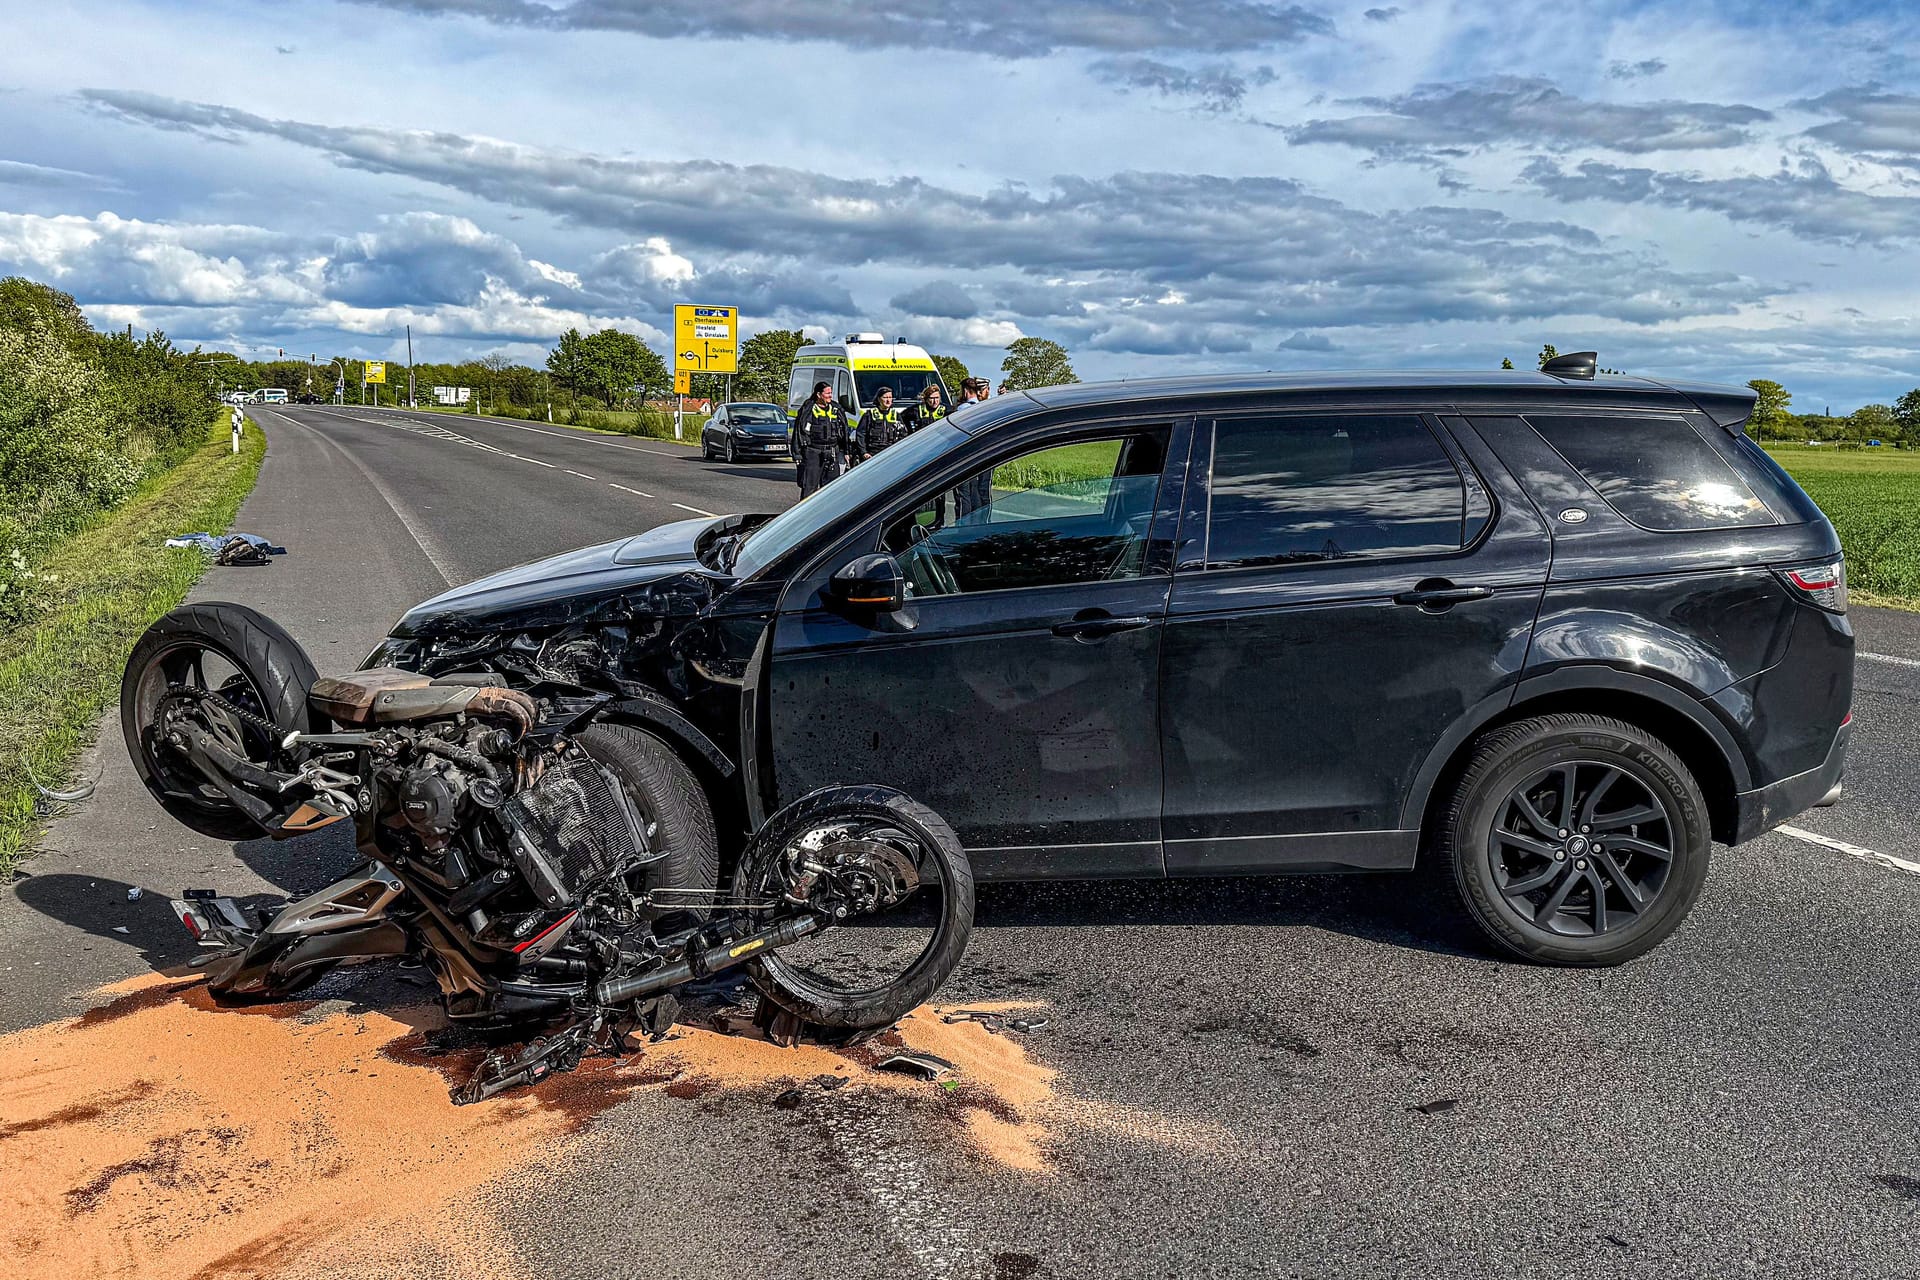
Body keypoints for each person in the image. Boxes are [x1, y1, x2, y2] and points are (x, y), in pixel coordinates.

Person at [792, 380, 849, 497]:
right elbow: (799, 432)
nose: (830, 396)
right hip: (813, 452)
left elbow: (844, 430)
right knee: (809, 487)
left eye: (831, 393)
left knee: (832, 487)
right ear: (818, 394)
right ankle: (806, 513)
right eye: (827, 393)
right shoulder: (808, 409)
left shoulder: (836, 409)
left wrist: (846, 451)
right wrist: (797, 454)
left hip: (832, 451)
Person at [856, 386, 904, 462]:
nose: (888, 400)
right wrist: (864, 452)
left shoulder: (896, 415)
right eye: (885, 397)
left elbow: (903, 434)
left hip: (891, 453)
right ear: (878, 399)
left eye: (890, 397)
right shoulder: (869, 415)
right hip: (873, 454)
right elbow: (861, 434)